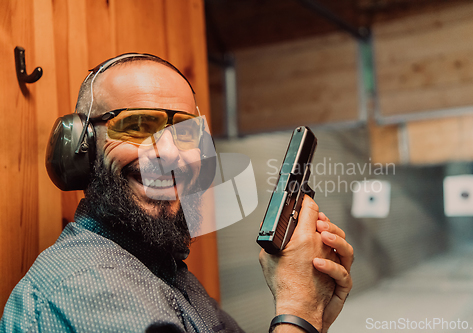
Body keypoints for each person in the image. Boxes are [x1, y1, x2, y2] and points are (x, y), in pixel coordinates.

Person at [0, 53, 353, 333]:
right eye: (137, 126)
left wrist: (310, 308)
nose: (170, 154)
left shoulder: (161, 268)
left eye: (186, 134)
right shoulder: (88, 286)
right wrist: (297, 310)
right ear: (81, 146)